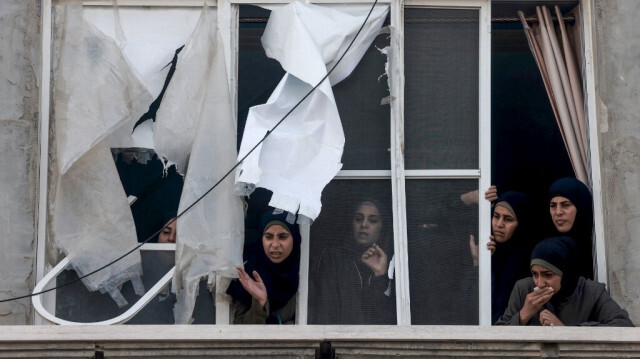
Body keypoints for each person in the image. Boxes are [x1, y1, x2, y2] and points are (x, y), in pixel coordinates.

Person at [495, 236, 633, 327]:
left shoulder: (592, 292)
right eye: (535, 274)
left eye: (547, 275)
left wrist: (567, 331)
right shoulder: (523, 288)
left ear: (566, 274)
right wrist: (523, 315)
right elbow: (498, 335)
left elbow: (624, 325)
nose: (539, 283)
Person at [310, 199, 395, 324]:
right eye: (359, 219)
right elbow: (325, 311)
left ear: (383, 227)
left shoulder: (395, 261)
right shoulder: (333, 258)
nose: (364, 225)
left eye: (372, 220)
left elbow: (386, 321)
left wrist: (380, 275)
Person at [226, 210, 301, 324]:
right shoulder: (249, 275)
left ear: (295, 239)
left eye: (283, 237)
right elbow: (242, 334)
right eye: (269, 237)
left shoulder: (306, 274)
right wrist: (259, 302)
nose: (275, 245)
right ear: (261, 239)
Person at [486, 191, 534, 324]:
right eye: (496, 216)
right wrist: (479, 262)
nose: (499, 224)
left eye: (508, 219)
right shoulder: (489, 253)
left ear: (521, 223)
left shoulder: (525, 263)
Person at [548, 177, 594, 279]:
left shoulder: (597, 249)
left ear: (581, 206)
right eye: (553, 206)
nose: (558, 212)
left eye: (565, 205)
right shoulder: (546, 250)